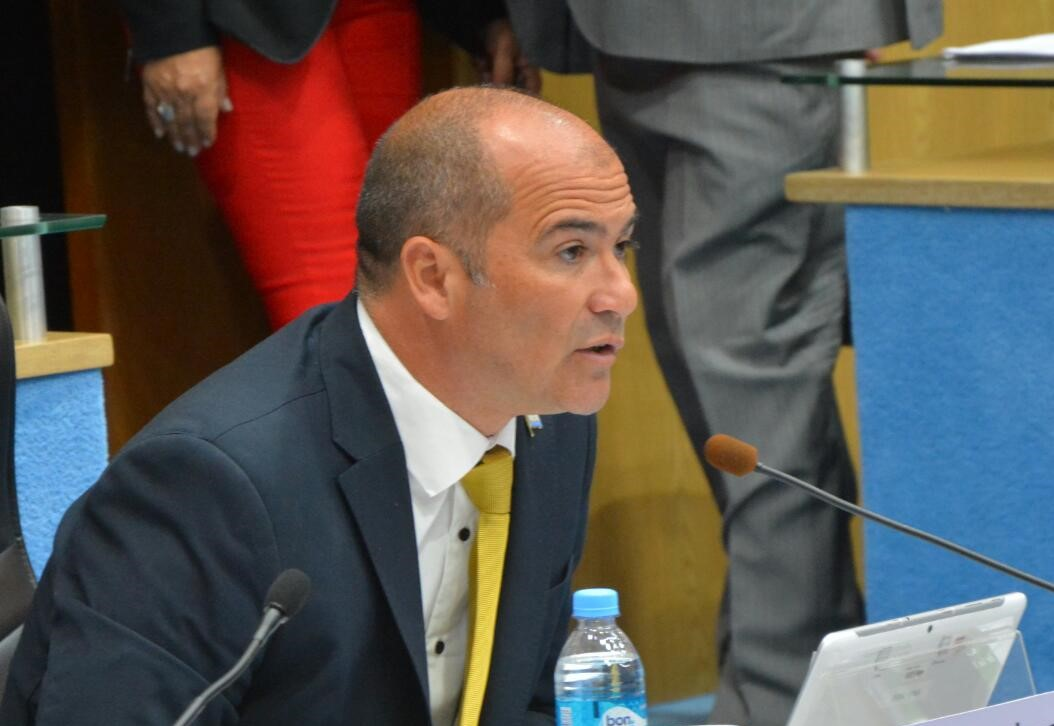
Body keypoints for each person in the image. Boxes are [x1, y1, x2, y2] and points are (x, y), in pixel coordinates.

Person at [0, 86, 638, 724]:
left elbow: (531, 700)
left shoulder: (549, 423)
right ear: (432, 277)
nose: (621, 294)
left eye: (622, 248)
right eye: (572, 252)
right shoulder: (207, 487)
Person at [503, 2, 942, 725]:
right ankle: (815, 686)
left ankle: (784, 700)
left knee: (750, 384)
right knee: (701, 369)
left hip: (763, 31)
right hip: (620, 32)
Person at [121, 0, 538, 329]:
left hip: (386, 13)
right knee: (335, 304)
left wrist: (485, 14)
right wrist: (171, 31)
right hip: (248, 20)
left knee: (413, 282)